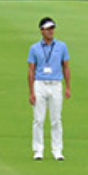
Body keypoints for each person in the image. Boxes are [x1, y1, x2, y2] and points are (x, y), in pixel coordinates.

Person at [27, 17, 71, 161]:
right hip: (40, 83)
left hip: (55, 84)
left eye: (52, 28)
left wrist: (68, 87)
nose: (51, 31)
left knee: (56, 119)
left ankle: (57, 150)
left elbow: (66, 66)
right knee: (38, 119)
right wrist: (31, 92)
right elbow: (31, 70)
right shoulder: (34, 48)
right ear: (42, 30)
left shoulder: (61, 46)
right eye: (48, 29)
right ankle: (38, 150)